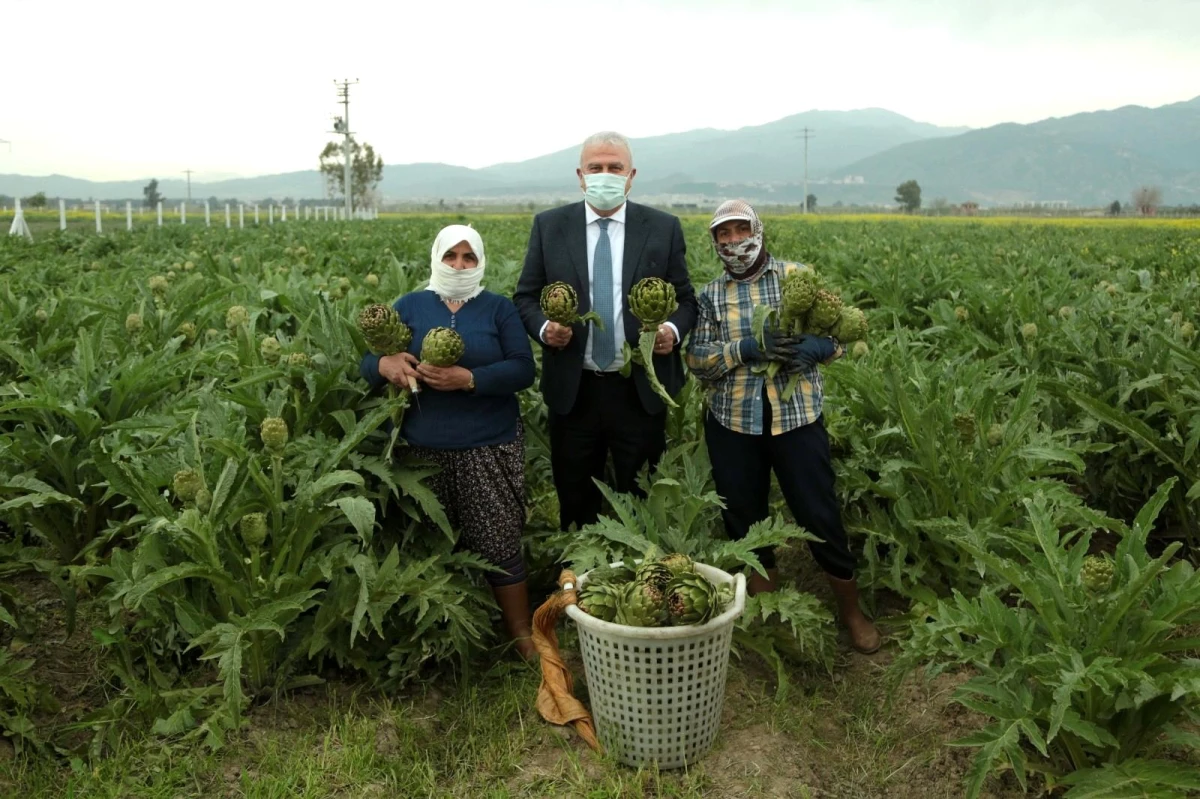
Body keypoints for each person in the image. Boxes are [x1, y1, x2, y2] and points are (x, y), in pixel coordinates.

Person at [685, 200, 882, 654]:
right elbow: (698, 361)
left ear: (759, 230)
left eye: (741, 230)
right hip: (733, 423)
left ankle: (851, 613)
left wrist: (821, 347)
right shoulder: (710, 296)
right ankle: (769, 617)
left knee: (819, 514)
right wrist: (747, 348)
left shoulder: (798, 278)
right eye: (724, 235)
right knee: (745, 521)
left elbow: (839, 336)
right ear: (715, 243)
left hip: (797, 420)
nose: (735, 242)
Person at [360, 225, 538, 659]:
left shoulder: (498, 309)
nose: (459, 265)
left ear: (480, 262)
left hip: (487, 444)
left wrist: (470, 378)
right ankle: (444, 639)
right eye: (451, 256)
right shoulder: (410, 306)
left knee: (497, 539)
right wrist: (383, 364)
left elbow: (522, 369)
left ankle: (521, 635)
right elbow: (368, 363)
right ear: (437, 257)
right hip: (421, 449)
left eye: (469, 257)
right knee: (432, 543)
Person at [514, 132, 697, 531]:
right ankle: (579, 583)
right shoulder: (550, 226)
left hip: (639, 389)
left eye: (615, 168)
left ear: (631, 176)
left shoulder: (663, 228)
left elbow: (686, 299)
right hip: (574, 391)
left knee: (643, 505)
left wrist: (670, 330)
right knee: (576, 502)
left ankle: (640, 584)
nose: (605, 175)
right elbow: (525, 296)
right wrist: (545, 329)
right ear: (580, 175)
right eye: (596, 168)